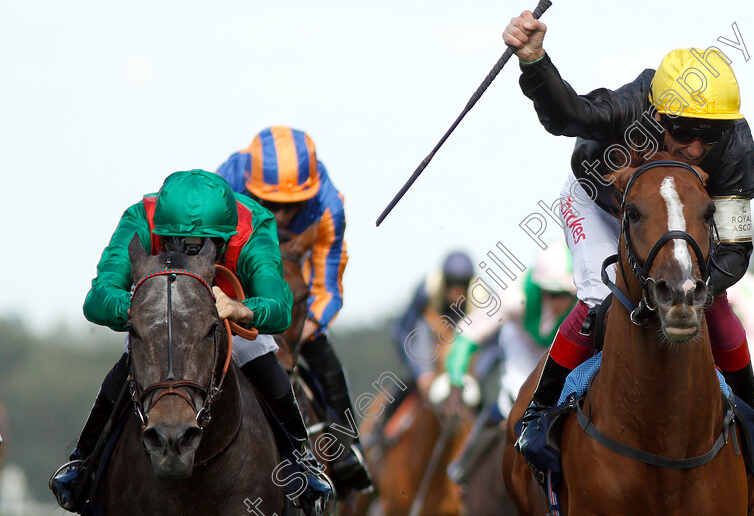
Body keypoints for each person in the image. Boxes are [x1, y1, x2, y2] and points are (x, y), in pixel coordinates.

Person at [502, 12, 754, 456]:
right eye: (683, 131)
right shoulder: (632, 106)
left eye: (712, 134)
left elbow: (736, 250)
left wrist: (696, 289)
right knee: (597, 302)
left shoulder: (735, 144)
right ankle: (539, 413)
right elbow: (568, 115)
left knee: (712, 306)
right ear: (657, 113)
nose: (696, 148)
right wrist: (534, 60)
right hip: (601, 205)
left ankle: (753, 417)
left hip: (680, 217)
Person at [50, 170, 331, 514]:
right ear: (161, 233)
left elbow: (280, 308)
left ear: (225, 239)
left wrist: (242, 309)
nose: (187, 255)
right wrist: (140, 307)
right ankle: (83, 463)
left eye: (200, 248)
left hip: (223, 311)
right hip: (159, 316)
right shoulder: (140, 218)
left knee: (264, 361)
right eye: (175, 245)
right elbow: (97, 299)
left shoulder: (255, 225)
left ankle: (300, 460)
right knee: (128, 364)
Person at [217, 126, 371, 495]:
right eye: (270, 204)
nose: (281, 216)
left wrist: (299, 330)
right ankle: (93, 456)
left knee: (327, 363)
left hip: (291, 288)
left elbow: (327, 285)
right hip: (234, 285)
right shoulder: (222, 187)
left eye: (293, 205)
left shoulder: (329, 206)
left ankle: (348, 451)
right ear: (249, 191)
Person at [446, 240, 576, 484]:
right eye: (552, 293)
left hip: (558, 345)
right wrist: (455, 377)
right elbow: (467, 334)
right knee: (516, 400)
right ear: (538, 287)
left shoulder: (583, 297)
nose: (560, 302)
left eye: (566, 294)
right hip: (520, 341)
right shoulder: (513, 296)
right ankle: (464, 464)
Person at [391, 251, 476, 401]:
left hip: (462, 363)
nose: (457, 291)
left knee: (477, 395)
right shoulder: (426, 292)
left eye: (462, 285)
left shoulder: (481, 299)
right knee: (405, 387)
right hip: (427, 351)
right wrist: (421, 372)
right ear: (444, 282)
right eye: (452, 284)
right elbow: (402, 331)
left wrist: (477, 374)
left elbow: (492, 345)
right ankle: (380, 422)